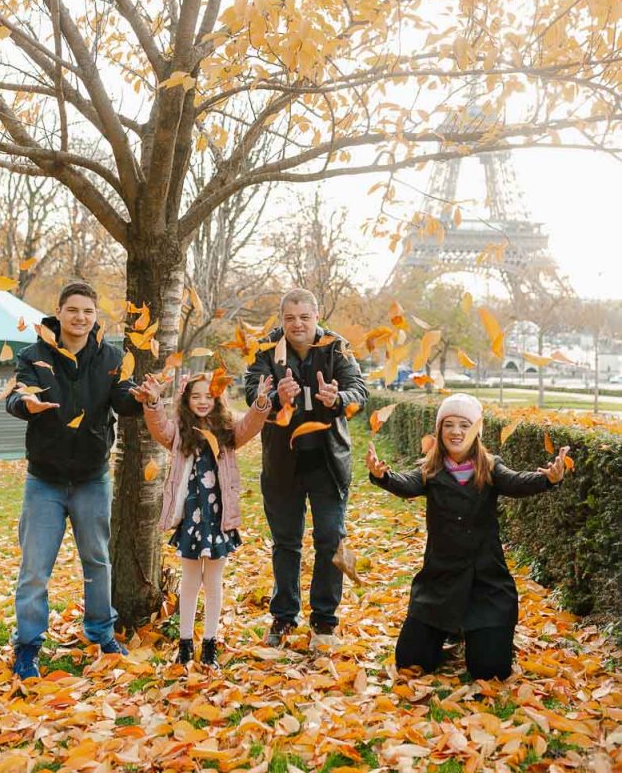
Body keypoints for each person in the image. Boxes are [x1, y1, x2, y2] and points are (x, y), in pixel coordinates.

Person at [366, 392, 570, 680]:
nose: (456, 431)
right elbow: (407, 484)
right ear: (439, 430)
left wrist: (548, 479)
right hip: (440, 581)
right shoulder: (430, 468)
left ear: (476, 430)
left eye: (465, 424)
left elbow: (516, 482)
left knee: (489, 670)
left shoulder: (490, 467)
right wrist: (383, 476)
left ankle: (479, 633)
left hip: (485, 582)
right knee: (411, 661)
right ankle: (451, 630)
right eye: (448, 424)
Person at [6, 281, 142, 679]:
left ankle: (101, 632)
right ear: (59, 312)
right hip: (44, 480)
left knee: (97, 561)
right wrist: (26, 404)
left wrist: (144, 398)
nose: (80, 318)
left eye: (88, 311)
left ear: (95, 317)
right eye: (73, 310)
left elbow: (123, 400)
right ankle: (28, 646)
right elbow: (17, 396)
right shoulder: (33, 354)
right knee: (34, 568)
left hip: (91, 478)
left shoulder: (112, 357)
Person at [244, 288, 368, 647]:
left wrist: (339, 398)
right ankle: (284, 618)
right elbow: (251, 388)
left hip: (327, 461)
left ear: (316, 317)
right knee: (286, 542)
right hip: (283, 462)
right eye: (289, 318)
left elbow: (359, 389)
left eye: (304, 317)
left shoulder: (336, 347)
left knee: (330, 538)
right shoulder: (267, 349)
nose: (297, 324)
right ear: (281, 320)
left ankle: (324, 622)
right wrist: (271, 398)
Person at [134, 369, 274, 667]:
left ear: (218, 398)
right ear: (186, 399)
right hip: (191, 520)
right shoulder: (180, 431)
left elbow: (249, 426)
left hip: (219, 518)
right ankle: (185, 644)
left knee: (213, 582)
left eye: (208, 396)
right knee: (189, 581)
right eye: (195, 396)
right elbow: (159, 428)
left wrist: (261, 404)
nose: (202, 401)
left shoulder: (227, 431)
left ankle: (209, 643)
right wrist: (153, 402)